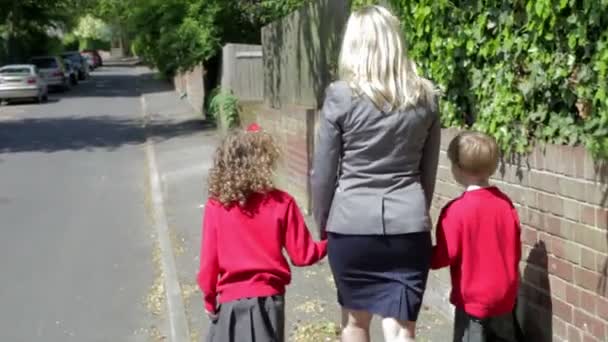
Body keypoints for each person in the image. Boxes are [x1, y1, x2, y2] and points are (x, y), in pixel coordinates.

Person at [311, 5, 440, 342]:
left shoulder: (340, 96)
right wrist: (417, 213)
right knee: (401, 329)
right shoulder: (424, 97)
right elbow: (429, 172)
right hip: (408, 226)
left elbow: (323, 173)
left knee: (354, 323)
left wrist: (323, 223)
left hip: (351, 227)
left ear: (353, 45)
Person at [197, 123, 327, 342]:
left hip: (231, 301)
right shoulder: (282, 202)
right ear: (264, 162)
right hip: (269, 301)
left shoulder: (216, 206)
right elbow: (303, 255)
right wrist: (331, 239)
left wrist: (210, 300)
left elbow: (209, 263)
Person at [431, 131, 522, 342]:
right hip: (504, 296)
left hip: (472, 299)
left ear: (457, 168)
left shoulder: (455, 211)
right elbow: (515, 247)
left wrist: (422, 256)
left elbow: (445, 255)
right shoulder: (505, 204)